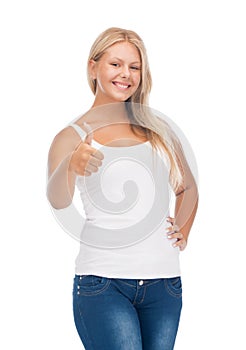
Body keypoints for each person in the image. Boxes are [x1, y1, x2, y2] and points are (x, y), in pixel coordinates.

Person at [46, 27, 198, 350]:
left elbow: (187, 188)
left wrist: (183, 227)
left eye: (134, 66)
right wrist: (71, 165)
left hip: (165, 287)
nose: (125, 74)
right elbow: (57, 200)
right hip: (103, 285)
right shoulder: (72, 136)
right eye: (115, 64)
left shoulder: (160, 131)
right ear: (93, 67)